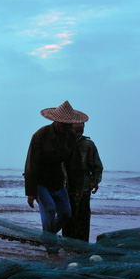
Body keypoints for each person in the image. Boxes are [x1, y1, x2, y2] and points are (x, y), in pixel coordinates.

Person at [24, 101, 85, 254]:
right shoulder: (40, 135)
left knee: (66, 213)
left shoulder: (71, 136)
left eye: (68, 124)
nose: (65, 127)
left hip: (57, 180)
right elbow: (31, 164)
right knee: (50, 210)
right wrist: (31, 192)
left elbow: (74, 163)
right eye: (63, 124)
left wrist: (78, 186)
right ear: (55, 121)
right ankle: (51, 248)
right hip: (39, 180)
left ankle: (47, 236)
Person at [61, 120, 103, 242]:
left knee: (83, 217)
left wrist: (95, 181)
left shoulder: (88, 145)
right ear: (69, 128)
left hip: (84, 186)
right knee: (67, 216)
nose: (79, 133)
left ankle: (82, 244)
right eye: (76, 130)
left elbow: (97, 166)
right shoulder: (61, 143)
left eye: (81, 130)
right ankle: (67, 243)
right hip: (64, 187)